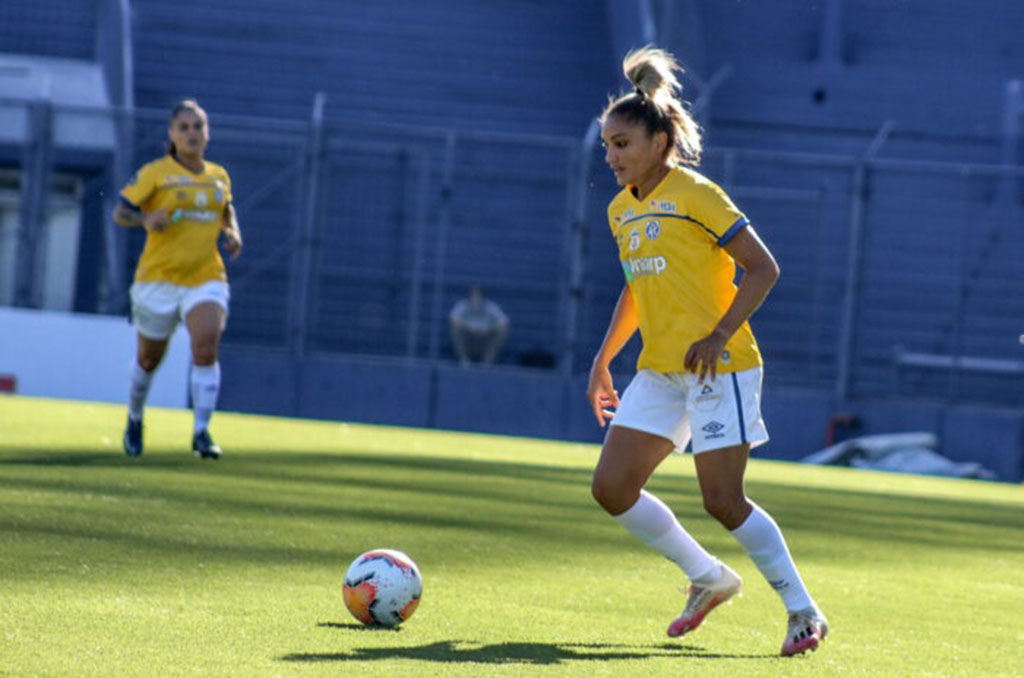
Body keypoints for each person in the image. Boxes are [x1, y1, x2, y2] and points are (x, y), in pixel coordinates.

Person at [587, 47, 828, 656]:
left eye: (622, 144)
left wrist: (719, 334)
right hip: (662, 371)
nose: (611, 157)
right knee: (612, 488)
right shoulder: (622, 209)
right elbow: (639, 289)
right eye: (608, 145)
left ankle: (804, 613)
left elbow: (763, 268)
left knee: (722, 501)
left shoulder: (698, 194)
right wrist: (603, 360)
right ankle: (708, 578)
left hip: (721, 367)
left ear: (659, 141)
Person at [113, 99, 242, 460]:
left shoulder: (219, 175)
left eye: (198, 126)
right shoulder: (156, 173)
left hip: (206, 277)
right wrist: (145, 220)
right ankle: (135, 418)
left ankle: (201, 432)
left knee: (206, 347)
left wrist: (232, 232)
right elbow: (121, 211)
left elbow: (226, 211)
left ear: (207, 133)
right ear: (171, 134)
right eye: (184, 127)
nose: (192, 134)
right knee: (149, 359)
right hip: (158, 280)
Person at [449, 285, 508, 366]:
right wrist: (469, 328)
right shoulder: (463, 305)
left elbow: (504, 321)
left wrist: (487, 330)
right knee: (455, 329)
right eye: (474, 296)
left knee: (501, 330)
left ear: (483, 297)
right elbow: (454, 319)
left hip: (485, 340)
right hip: (468, 339)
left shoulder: (490, 307)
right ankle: (464, 360)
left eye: (478, 296)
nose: (476, 299)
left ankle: (487, 362)